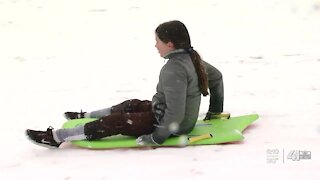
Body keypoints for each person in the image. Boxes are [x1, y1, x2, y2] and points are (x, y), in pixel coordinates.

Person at [26, 20, 224, 148]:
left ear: (170, 44)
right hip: (166, 113)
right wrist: (215, 110)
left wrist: (157, 137)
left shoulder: (173, 69)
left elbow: (175, 113)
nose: (155, 45)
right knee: (131, 104)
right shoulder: (193, 58)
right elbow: (217, 78)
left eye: (158, 41)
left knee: (117, 121)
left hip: (171, 124)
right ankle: (84, 116)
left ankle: (56, 137)